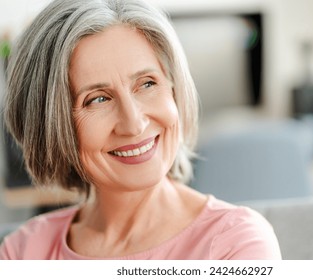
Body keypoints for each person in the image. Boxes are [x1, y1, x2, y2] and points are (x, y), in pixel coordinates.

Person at [0, 0, 281, 260]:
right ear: (51, 126)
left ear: (174, 89)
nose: (134, 124)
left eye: (147, 83)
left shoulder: (236, 244)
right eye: (98, 99)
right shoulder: (22, 252)